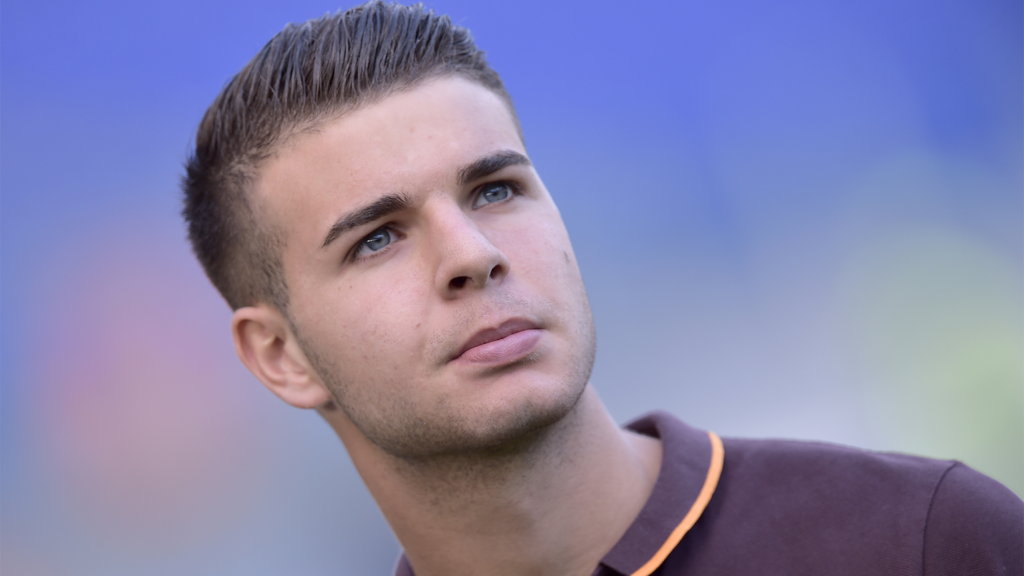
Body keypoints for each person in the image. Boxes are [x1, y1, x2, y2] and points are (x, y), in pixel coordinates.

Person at [181, 3, 1024, 575]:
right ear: (281, 355)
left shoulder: (922, 541)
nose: (473, 254)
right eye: (378, 238)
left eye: (495, 190)